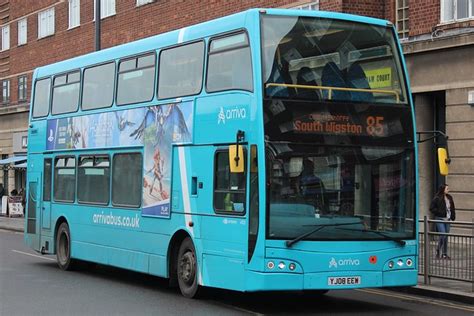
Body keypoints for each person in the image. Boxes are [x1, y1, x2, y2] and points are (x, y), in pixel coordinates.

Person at [429, 184, 456, 259]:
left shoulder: (449, 197)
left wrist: (453, 216)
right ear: (443, 189)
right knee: (443, 235)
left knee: (445, 237)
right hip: (439, 219)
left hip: (447, 219)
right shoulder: (437, 198)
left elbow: (452, 208)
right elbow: (431, 208)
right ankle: (438, 249)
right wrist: (439, 212)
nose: (448, 190)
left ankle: (444, 254)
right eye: (447, 188)